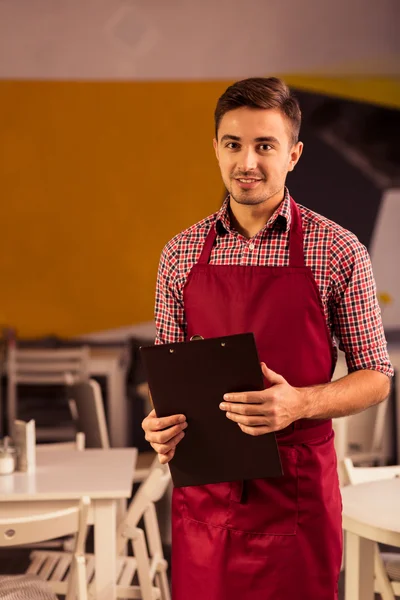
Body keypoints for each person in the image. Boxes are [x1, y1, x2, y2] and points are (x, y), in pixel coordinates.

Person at [142, 77, 393, 600]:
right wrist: (159, 424)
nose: (246, 162)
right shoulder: (180, 255)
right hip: (205, 501)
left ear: (294, 154)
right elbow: (166, 379)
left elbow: (377, 377)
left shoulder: (338, 250)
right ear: (215, 148)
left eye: (265, 145)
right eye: (233, 144)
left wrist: (300, 401)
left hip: (297, 495)